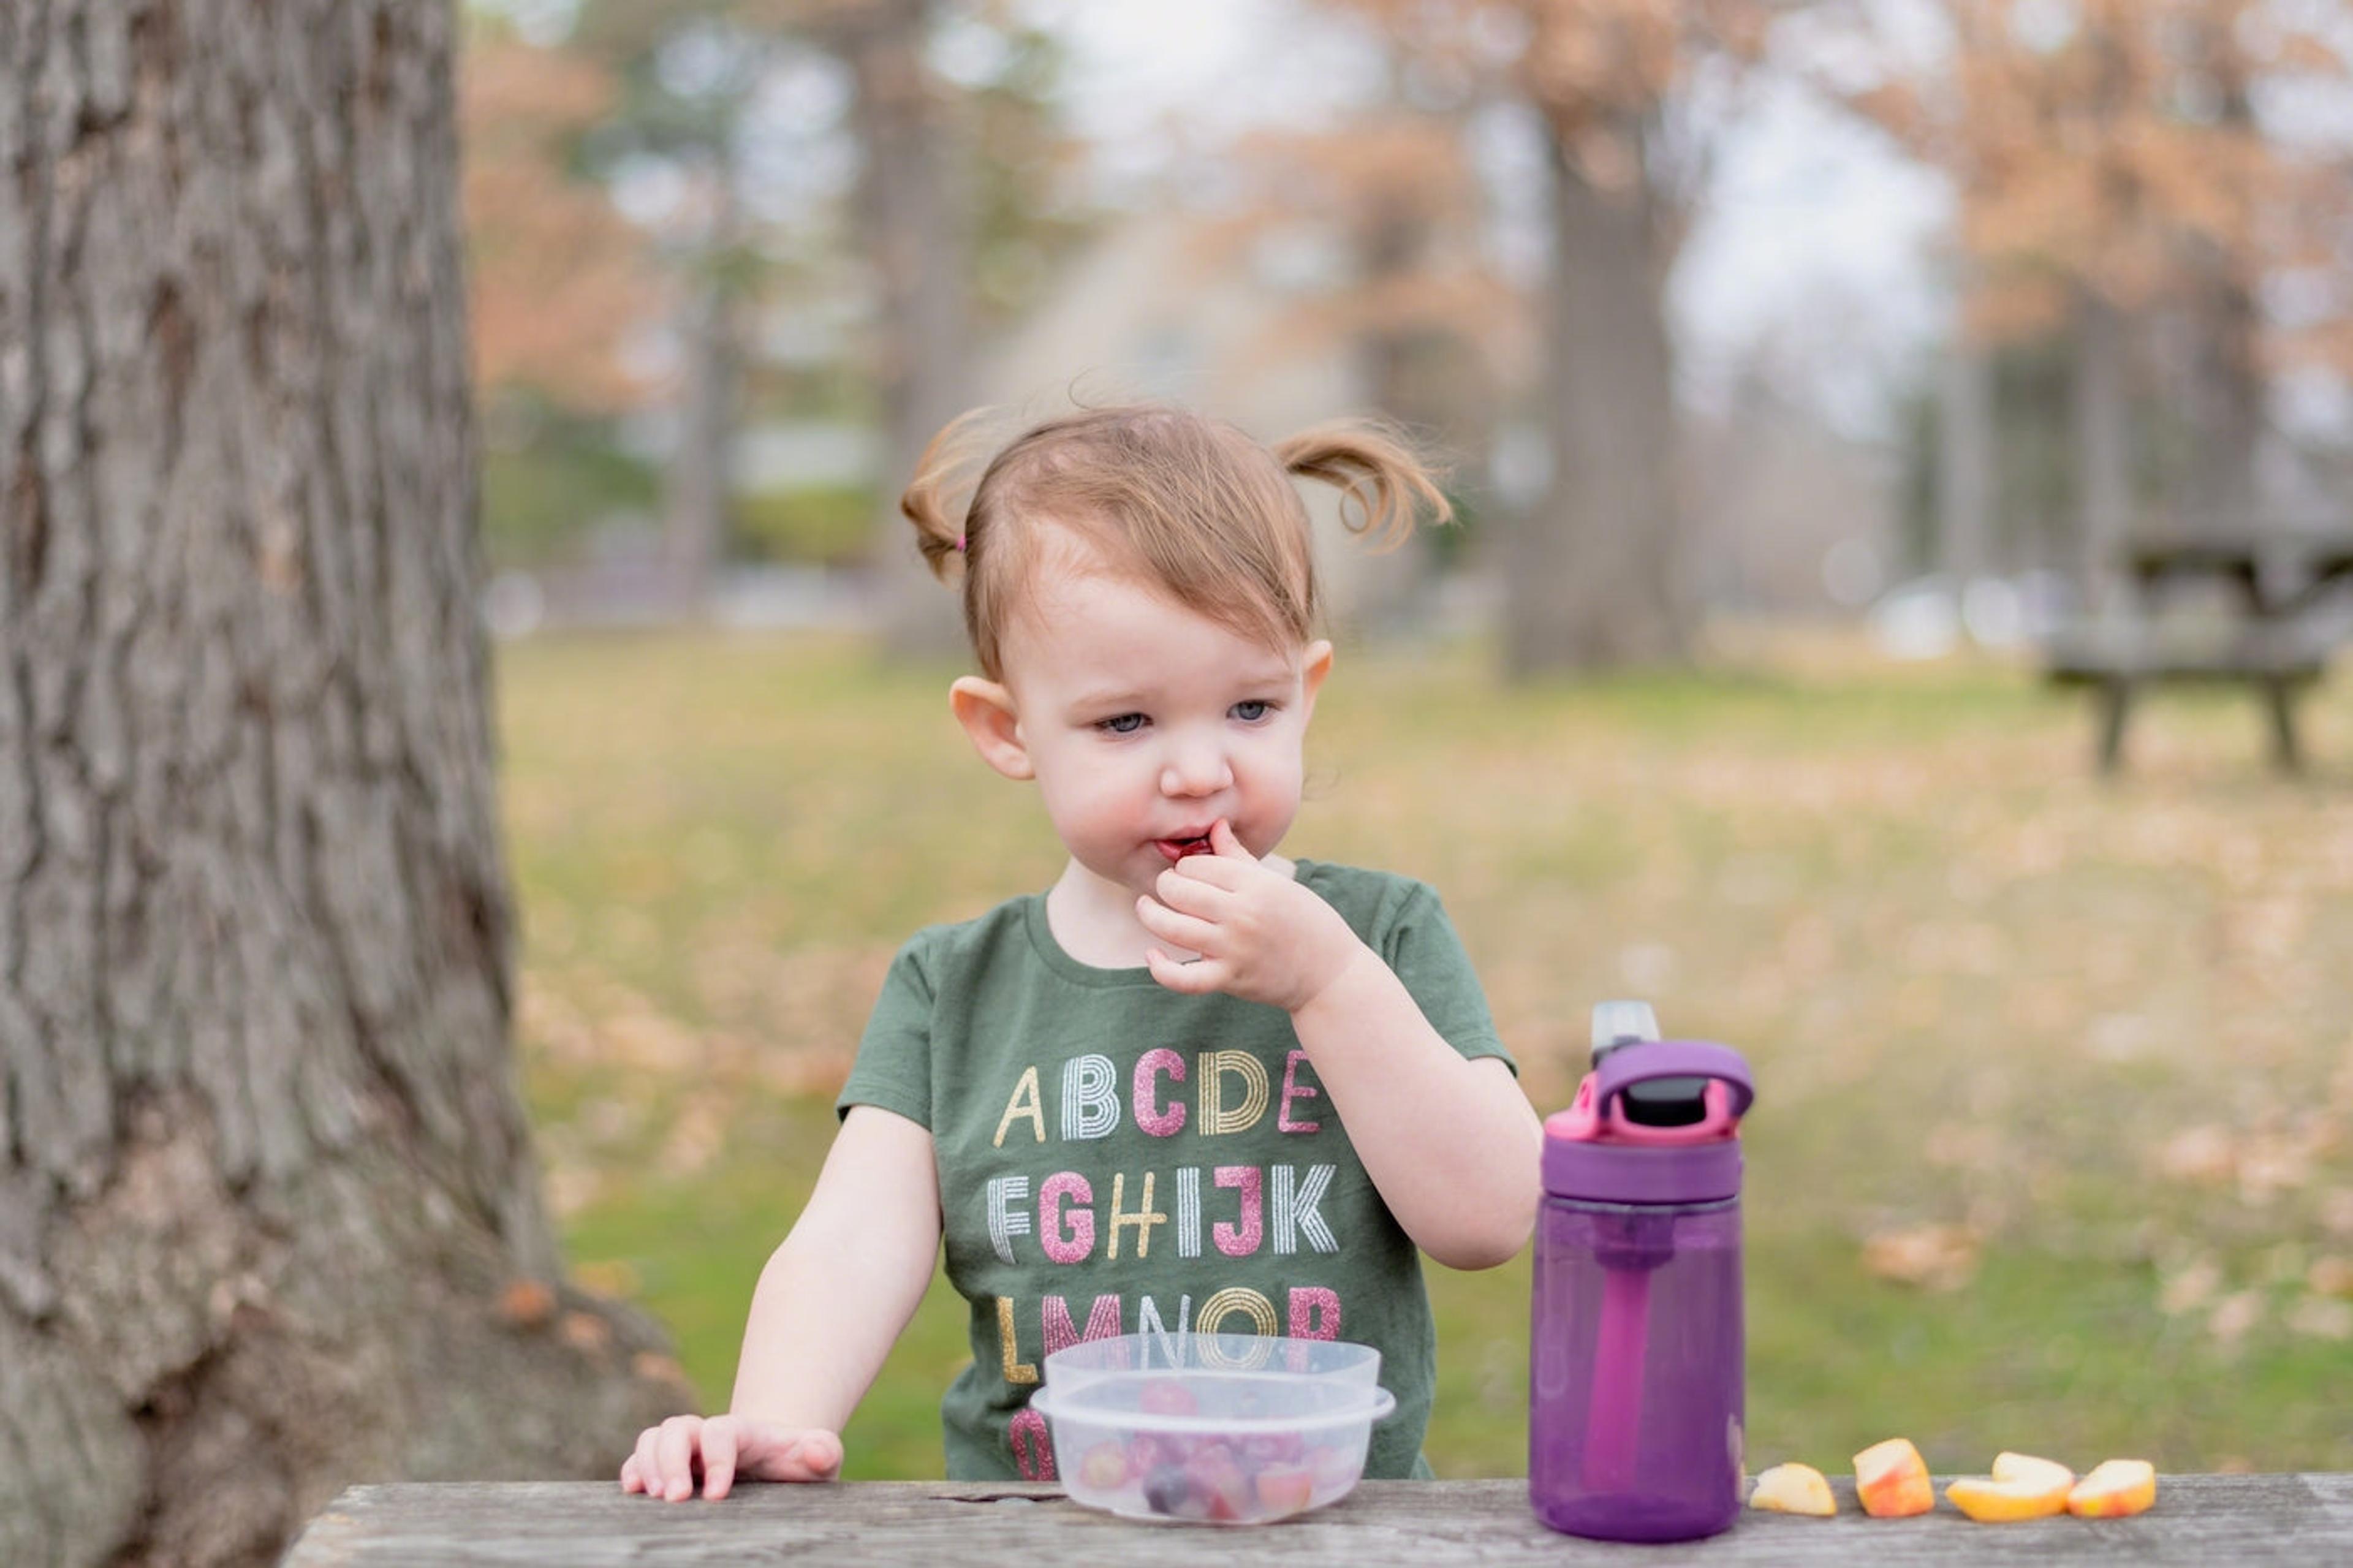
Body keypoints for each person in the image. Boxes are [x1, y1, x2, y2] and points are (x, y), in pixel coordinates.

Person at [620, 403, 1544, 1502]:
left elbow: (1491, 1217)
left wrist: (1328, 981)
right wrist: (775, 1418)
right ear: (1008, 731)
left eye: (1250, 708)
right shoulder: (954, 987)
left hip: (1328, 1527)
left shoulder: (1378, 936)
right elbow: (852, 1241)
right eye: (1127, 724)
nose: (1199, 772)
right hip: (1045, 1531)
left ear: (1308, 694)